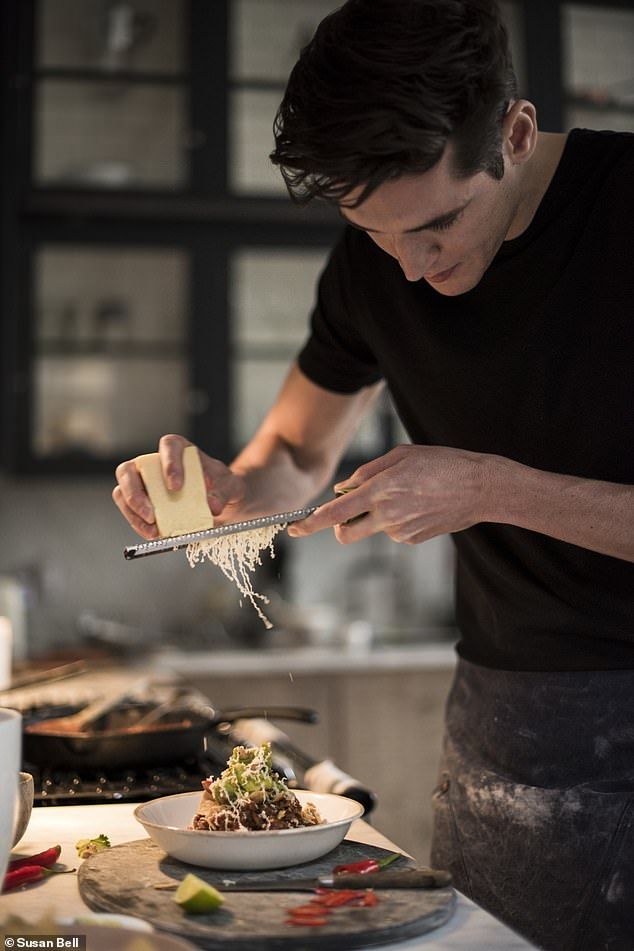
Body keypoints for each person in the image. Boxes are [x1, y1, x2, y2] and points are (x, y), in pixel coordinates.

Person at [113, 1, 634, 947]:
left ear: (514, 134)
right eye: (376, 232)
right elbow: (297, 453)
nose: (409, 268)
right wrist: (227, 496)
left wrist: (490, 487)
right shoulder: (373, 261)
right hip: (505, 716)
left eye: (437, 225)